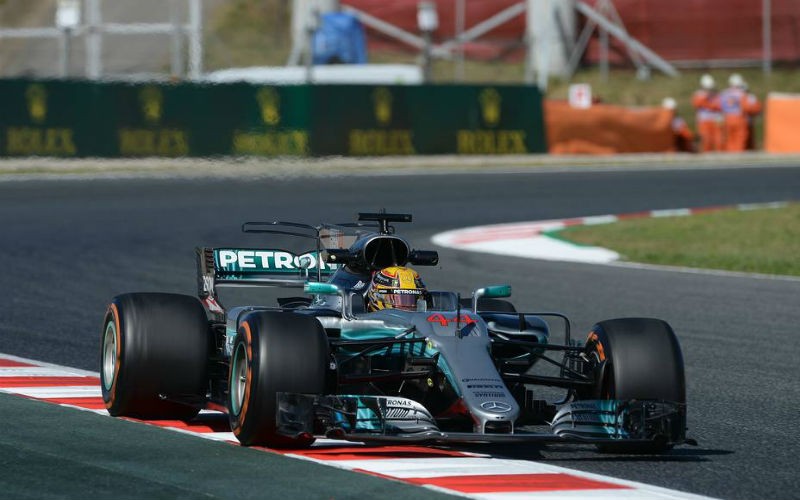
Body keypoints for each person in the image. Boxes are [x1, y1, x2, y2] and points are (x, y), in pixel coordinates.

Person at [719, 73, 762, 152]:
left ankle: (730, 154)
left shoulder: (724, 93)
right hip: (739, 119)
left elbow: (719, 106)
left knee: (730, 139)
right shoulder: (741, 94)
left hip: (727, 118)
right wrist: (756, 110)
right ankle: (738, 156)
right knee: (740, 139)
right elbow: (746, 107)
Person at [691, 74, 723, 152]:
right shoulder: (698, 94)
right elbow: (696, 104)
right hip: (704, 121)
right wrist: (706, 98)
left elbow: (719, 106)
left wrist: (709, 103)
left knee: (718, 139)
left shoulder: (717, 95)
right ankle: (706, 156)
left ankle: (719, 155)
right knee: (705, 140)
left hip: (716, 120)